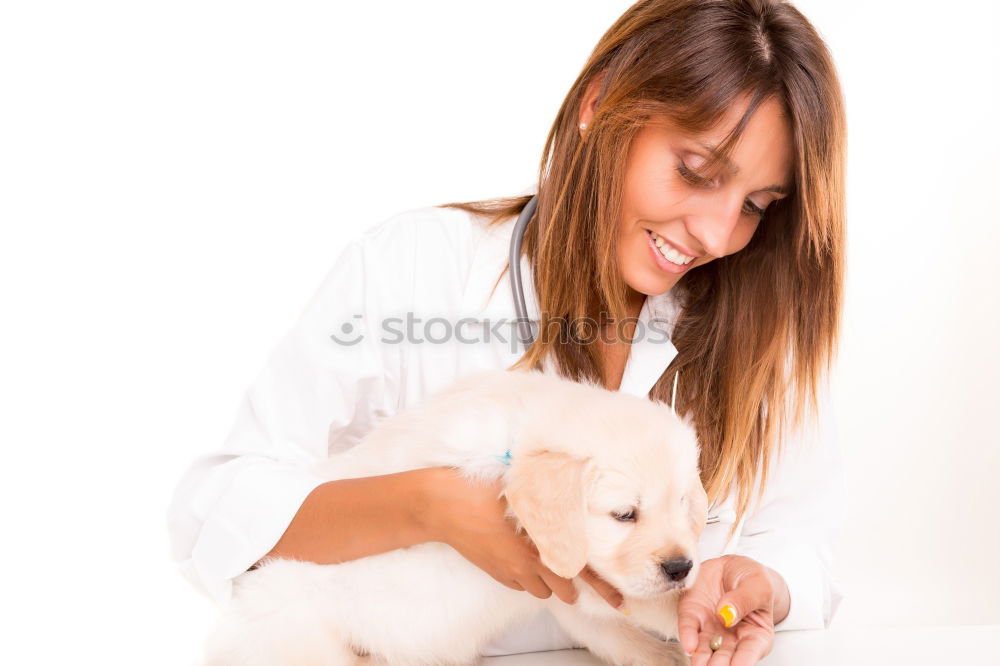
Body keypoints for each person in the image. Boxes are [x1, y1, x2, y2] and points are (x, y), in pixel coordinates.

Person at [166, 0, 847, 664]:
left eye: (757, 206)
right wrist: (428, 505)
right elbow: (214, 514)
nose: (717, 233)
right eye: (694, 172)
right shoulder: (415, 267)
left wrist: (760, 587)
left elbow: (802, 541)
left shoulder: (748, 330)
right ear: (598, 102)